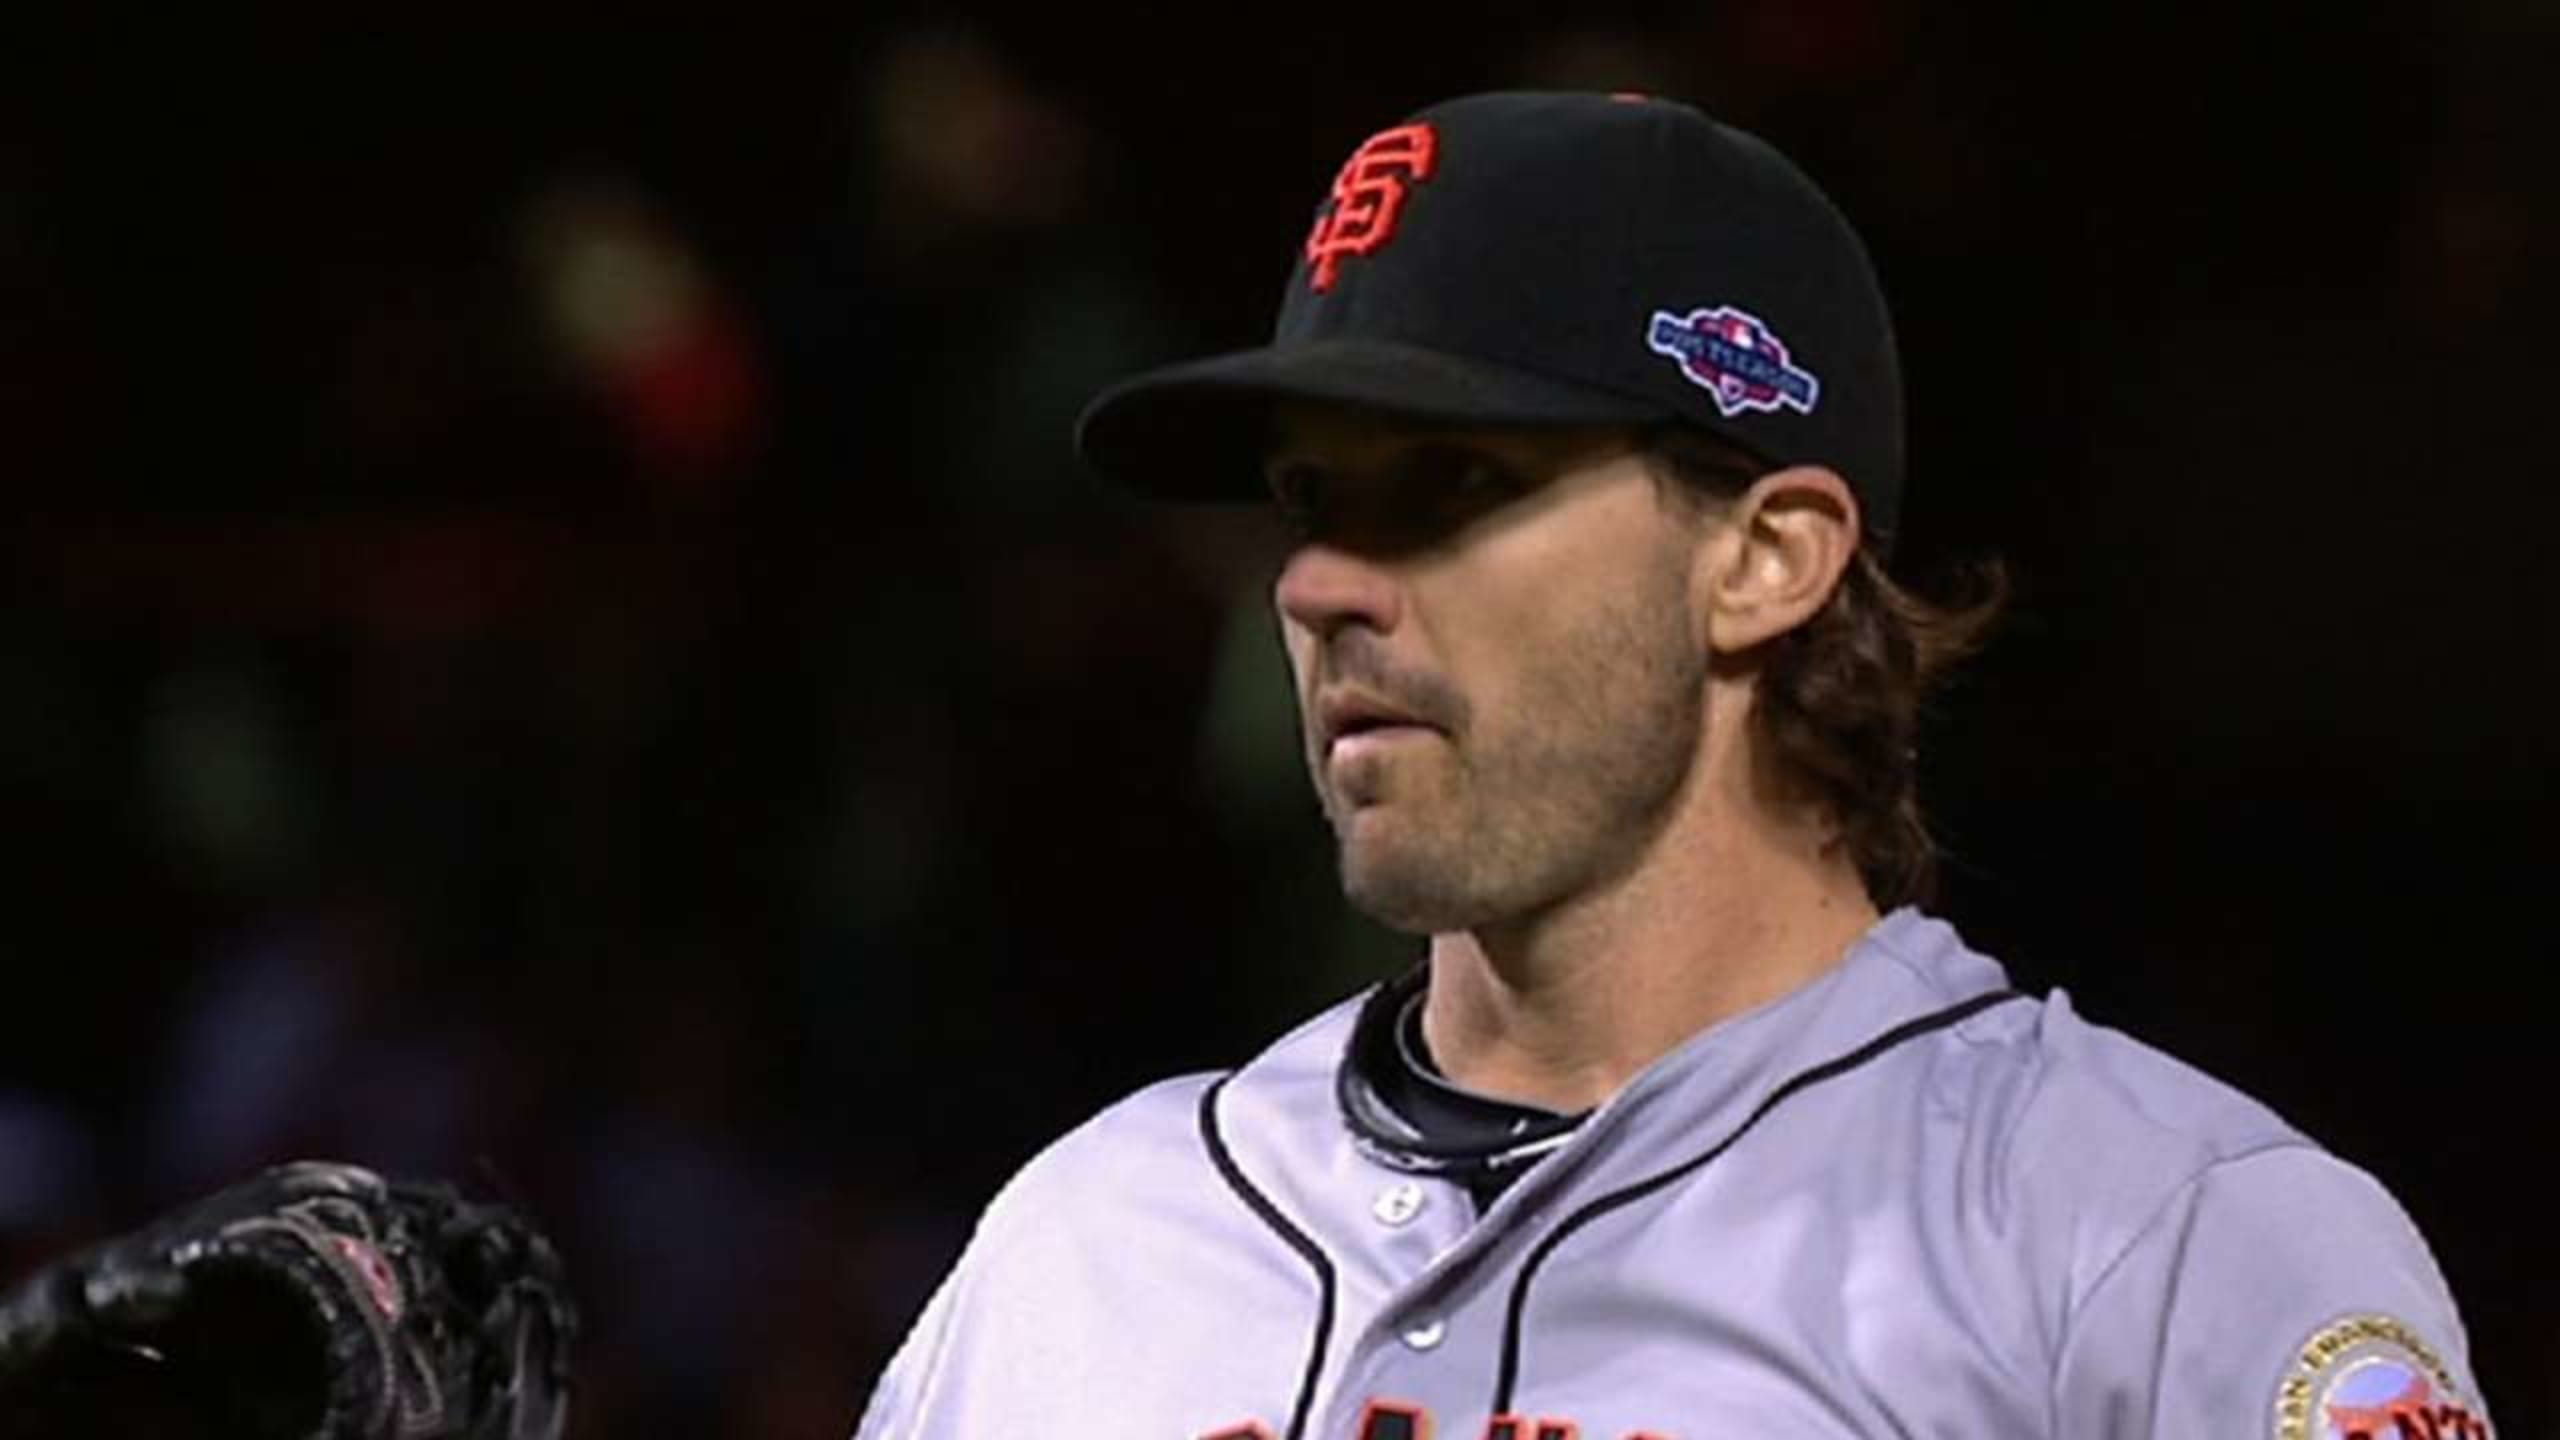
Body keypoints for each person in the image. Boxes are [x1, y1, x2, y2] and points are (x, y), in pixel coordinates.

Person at [850, 91, 2496, 1439]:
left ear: (1766, 559)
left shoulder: (2142, 1247)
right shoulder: (1087, 1250)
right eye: (1308, 501)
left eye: (1450, 482)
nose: (1317, 584)